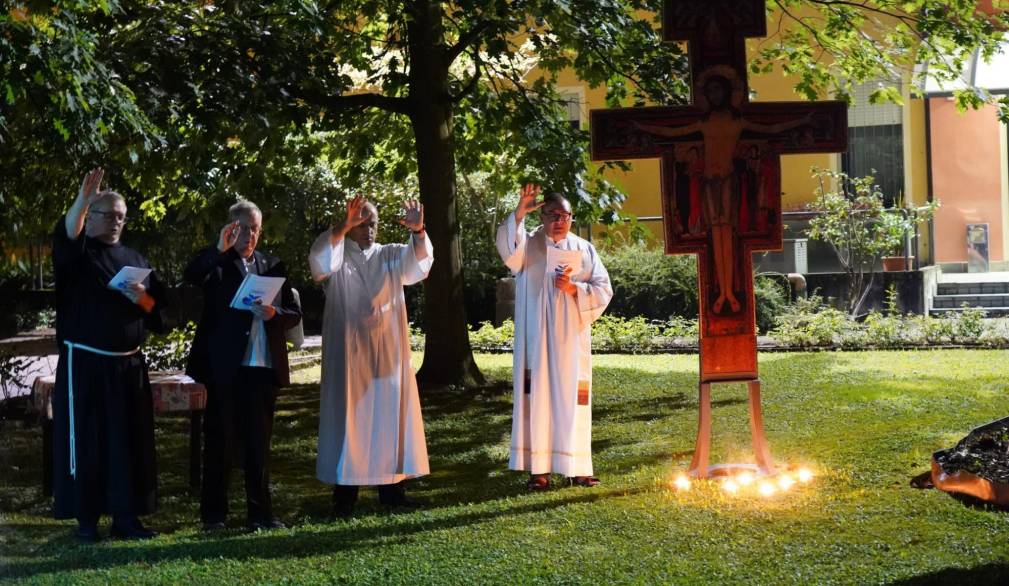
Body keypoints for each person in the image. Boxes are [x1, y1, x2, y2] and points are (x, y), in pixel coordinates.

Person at [51, 167, 169, 541]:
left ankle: (126, 518)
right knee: (89, 440)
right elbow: (68, 231)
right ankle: (86, 519)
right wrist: (83, 201)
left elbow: (163, 315)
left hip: (128, 366)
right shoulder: (79, 253)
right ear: (91, 219)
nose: (116, 221)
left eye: (121, 216)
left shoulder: (135, 258)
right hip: (86, 365)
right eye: (108, 215)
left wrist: (143, 298)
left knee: (127, 443)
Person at [635, 67, 810, 314]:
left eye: (717, 89)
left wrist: (801, 121)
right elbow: (673, 133)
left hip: (727, 181)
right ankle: (723, 291)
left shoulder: (737, 120)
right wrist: (644, 127)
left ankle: (727, 291)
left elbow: (771, 129)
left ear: (727, 92)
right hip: (708, 182)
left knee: (726, 233)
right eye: (710, 91)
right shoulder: (704, 122)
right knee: (715, 233)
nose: (714, 95)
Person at [309, 195, 433, 517]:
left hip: (386, 352)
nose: (369, 230)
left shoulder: (389, 256)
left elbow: (418, 265)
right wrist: (342, 227)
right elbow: (319, 266)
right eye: (362, 224)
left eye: (373, 224)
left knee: (388, 418)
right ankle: (344, 496)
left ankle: (392, 492)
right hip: (348, 354)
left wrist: (418, 232)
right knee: (349, 418)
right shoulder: (338, 254)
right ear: (351, 227)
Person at [185, 200, 301, 532]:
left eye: (255, 228)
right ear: (231, 228)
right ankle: (214, 517)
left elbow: (293, 312)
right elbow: (191, 275)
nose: (250, 234)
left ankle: (260, 514)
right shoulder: (218, 265)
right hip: (226, 368)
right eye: (244, 227)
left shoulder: (273, 265)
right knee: (220, 442)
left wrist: (274, 314)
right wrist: (218, 250)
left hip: (263, 366)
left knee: (258, 444)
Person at [496, 184, 612, 490]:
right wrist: (520, 210)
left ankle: (577, 466)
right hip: (536, 339)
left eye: (565, 215)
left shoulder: (584, 249)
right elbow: (508, 253)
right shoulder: (528, 244)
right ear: (542, 216)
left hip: (571, 341)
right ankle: (540, 470)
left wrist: (575, 289)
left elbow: (604, 289)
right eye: (553, 215)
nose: (560, 220)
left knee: (574, 398)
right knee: (539, 399)